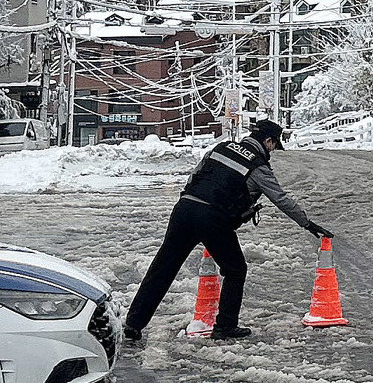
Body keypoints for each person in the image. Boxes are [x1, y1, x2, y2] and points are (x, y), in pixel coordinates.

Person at [124, 119, 332, 342]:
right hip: (212, 219)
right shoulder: (258, 166)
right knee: (235, 269)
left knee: (163, 267)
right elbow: (280, 199)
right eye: (273, 145)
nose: (273, 150)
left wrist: (189, 201)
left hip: (184, 210)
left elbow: (195, 176)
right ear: (267, 140)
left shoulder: (220, 148)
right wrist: (307, 223)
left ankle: (133, 324)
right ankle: (225, 327)